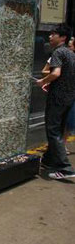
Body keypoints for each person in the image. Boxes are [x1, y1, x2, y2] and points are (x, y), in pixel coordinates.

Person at [36, 25, 75, 179]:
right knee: (58, 130)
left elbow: (56, 73)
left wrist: (43, 81)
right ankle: (48, 160)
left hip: (57, 98)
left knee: (53, 131)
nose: (50, 37)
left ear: (63, 38)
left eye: (54, 34)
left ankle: (65, 168)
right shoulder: (71, 53)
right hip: (69, 98)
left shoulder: (58, 52)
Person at [41, 37, 75, 154]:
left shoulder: (70, 58)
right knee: (58, 125)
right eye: (69, 46)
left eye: (71, 46)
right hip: (61, 95)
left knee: (66, 124)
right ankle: (58, 153)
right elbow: (48, 71)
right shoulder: (59, 55)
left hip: (68, 95)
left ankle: (58, 150)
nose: (69, 48)